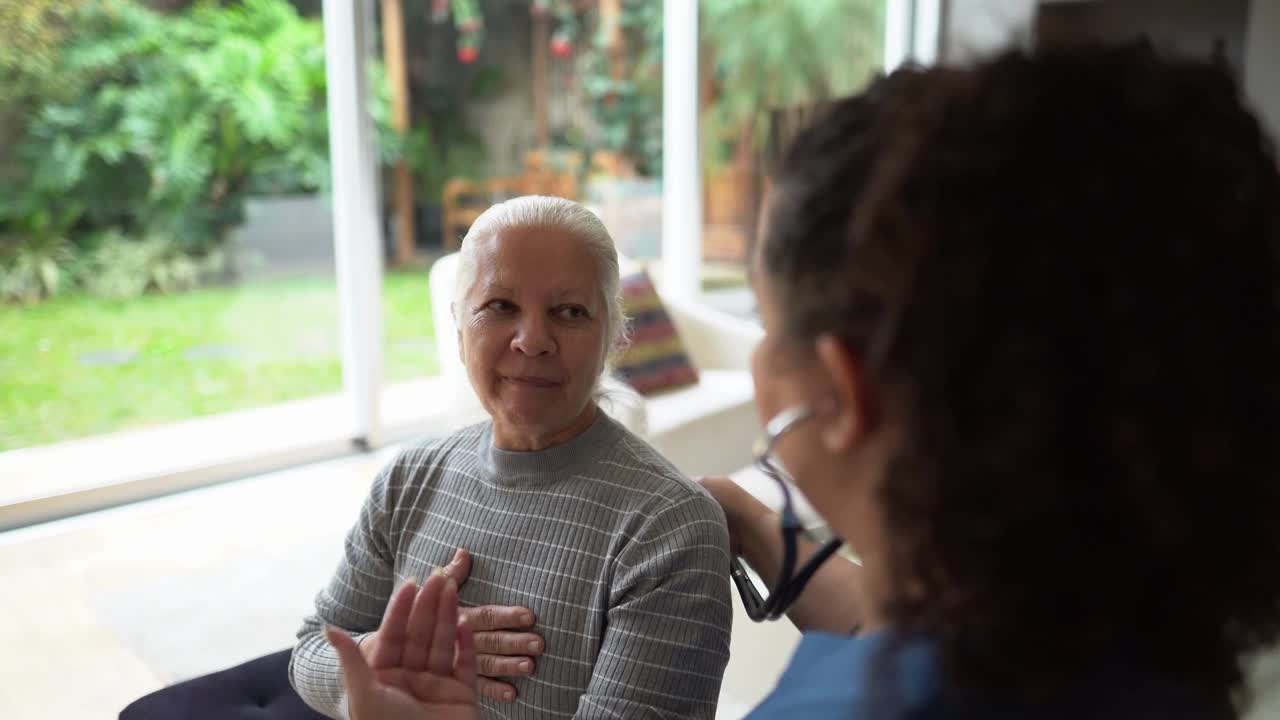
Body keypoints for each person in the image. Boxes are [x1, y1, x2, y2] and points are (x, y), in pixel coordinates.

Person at [317, 43, 1280, 720]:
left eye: (771, 322)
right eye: (499, 310)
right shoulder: (1149, 650)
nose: (531, 341)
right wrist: (758, 527)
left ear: (840, 391)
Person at [289, 196, 733, 719]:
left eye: (569, 312)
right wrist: (383, 656)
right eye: (500, 306)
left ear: (612, 333)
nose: (532, 340)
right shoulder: (410, 479)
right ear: (460, 328)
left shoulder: (667, 528)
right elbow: (310, 651)